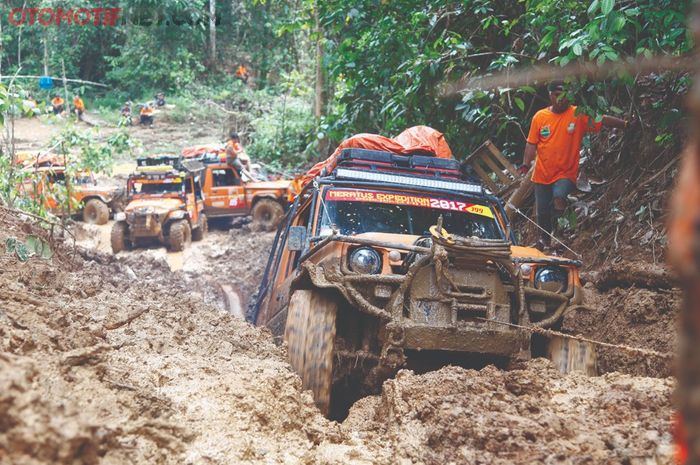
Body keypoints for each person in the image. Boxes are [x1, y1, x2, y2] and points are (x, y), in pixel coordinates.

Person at [520, 80, 628, 248]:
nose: (561, 99)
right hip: (542, 173)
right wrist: (525, 165)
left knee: (559, 197)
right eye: (557, 95)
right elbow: (531, 143)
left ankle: (560, 234)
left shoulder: (577, 114)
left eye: (564, 95)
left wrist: (624, 124)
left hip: (565, 172)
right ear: (550, 96)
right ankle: (544, 240)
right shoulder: (540, 117)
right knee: (542, 210)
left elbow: (602, 119)